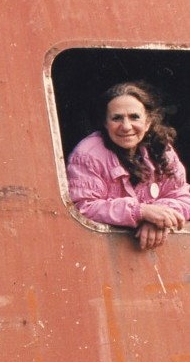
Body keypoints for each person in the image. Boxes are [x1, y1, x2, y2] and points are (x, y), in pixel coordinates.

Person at [67, 81, 190, 250]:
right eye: (117, 118)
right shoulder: (87, 155)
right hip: (104, 251)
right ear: (105, 123)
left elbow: (183, 196)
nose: (126, 127)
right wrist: (140, 212)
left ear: (148, 122)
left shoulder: (162, 150)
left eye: (134, 117)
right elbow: (83, 207)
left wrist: (157, 218)